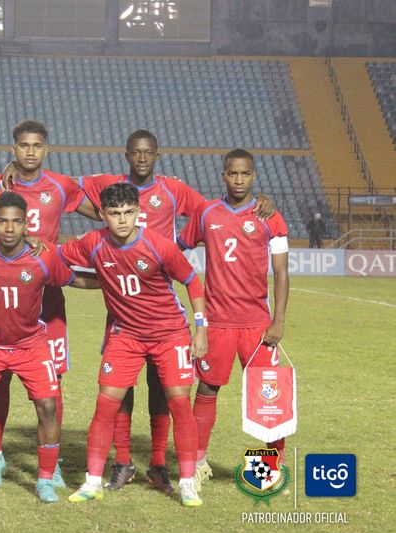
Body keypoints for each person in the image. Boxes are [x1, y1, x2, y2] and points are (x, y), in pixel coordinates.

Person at [74, 130, 274, 494]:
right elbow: (66, 191)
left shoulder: (173, 190)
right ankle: (122, 462)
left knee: (162, 386)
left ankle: (158, 464)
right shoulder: (110, 185)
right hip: (122, 305)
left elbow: (214, 211)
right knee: (120, 387)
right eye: (136, 152)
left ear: (157, 155)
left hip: (161, 304)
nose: (142, 158)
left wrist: (259, 203)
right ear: (127, 155)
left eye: (148, 152)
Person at [0, 119, 98, 489]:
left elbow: (102, 212)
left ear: (46, 149)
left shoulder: (61, 186)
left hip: (48, 297)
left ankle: (52, 464)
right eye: (23, 145)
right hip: (4, 292)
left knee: (52, 381)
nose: (30, 152)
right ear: (13, 148)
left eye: (36, 146)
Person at [59, 182, 207, 507]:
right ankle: (92, 482)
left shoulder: (159, 245)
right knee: (105, 404)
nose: (123, 219)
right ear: (102, 214)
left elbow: (192, 281)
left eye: (128, 212)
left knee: (179, 403)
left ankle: (187, 484)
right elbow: (56, 257)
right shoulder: (93, 243)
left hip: (170, 334)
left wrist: (201, 328)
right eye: (115, 213)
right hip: (126, 335)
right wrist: (35, 247)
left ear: (139, 212)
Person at [177, 148, 290, 484]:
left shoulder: (270, 217)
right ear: (223, 175)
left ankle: (273, 469)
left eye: (245, 173)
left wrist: (279, 319)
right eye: (232, 173)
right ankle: (198, 463)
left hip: (258, 326)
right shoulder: (206, 213)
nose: (238, 179)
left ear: (254, 176)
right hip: (217, 324)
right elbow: (176, 249)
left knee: (269, 395)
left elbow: (282, 273)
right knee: (207, 388)